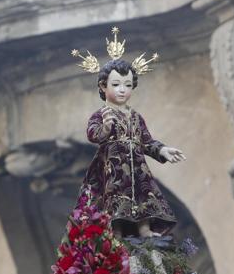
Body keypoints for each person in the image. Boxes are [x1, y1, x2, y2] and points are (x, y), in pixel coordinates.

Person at [72, 28, 186, 238]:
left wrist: (163, 151)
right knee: (114, 195)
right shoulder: (102, 113)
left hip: (136, 164)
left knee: (143, 193)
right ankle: (114, 231)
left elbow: (146, 141)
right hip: (112, 164)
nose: (122, 90)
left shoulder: (135, 116)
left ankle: (144, 229)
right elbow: (92, 134)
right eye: (116, 85)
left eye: (127, 85)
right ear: (103, 86)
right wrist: (106, 127)